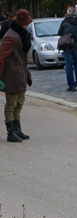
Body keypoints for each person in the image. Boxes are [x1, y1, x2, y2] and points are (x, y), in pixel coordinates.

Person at [0, 10, 34, 142]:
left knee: (19, 103)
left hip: (21, 74)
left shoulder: (22, 35)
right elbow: (1, 57)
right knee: (11, 104)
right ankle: (10, 132)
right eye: (27, 23)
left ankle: (17, 129)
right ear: (22, 24)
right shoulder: (11, 36)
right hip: (12, 76)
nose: (28, 25)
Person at [58, 6, 77, 91]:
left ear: (68, 13)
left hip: (67, 46)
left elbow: (59, 33)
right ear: (76, 13)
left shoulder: (65, 23)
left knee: (69, 65)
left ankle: (72, 85)